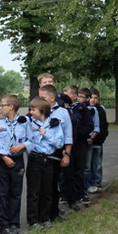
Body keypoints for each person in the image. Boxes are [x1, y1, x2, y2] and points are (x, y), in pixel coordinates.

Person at [0, 94, 31, 234]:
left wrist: (22, 145)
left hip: (18, 160)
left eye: (3, 105)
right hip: (3, 161)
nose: (0, 108)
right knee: (3, 193)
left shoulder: (24, 122)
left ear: (11, 107)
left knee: (16, 192)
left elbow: (31, 140)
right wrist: (4, 156)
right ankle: (2, 224)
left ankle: (13, 221)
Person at [24, 97, 64, 229]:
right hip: (35, 159)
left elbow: (59, 143)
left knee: (47, 191)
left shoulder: (54, 124)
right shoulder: (30, 124)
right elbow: (26, 140)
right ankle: (33, 221)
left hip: (49, 160)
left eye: (33, 109)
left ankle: (45, 218)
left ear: (42, 110)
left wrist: (46, 134)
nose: (30, 112)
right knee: (33, 192)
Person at [38, 84, 73, 222]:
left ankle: (53, 213)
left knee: (53, 184)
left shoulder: (62, 113)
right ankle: (41, 215)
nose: (40, 100)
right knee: (41, 186)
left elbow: (68, 135)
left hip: (57, 152)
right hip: (41, 153)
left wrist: (67, 154)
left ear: (52, 98)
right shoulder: (37, 112)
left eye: (43, 98)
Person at [63, 85, 95, 209]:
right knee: (67, 171)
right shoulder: (63, 109)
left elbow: (89, 126)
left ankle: (78, 194)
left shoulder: (82, 109)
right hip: (66, 144)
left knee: (78, 169)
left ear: (74, 96)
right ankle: (67, 194)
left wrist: (77, 132)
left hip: (79, 144)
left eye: (68, 94)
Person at [77, 87, 101, 198]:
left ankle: (85, 188)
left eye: (82, 97)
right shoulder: (75, 108)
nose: (80, 99)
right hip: (78, 141)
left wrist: (91, 138)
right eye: (79, 96)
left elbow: (96, 127)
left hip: (88, 140)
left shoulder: (93, 110)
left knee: (87, 166)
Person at [87, 86, 109, 193]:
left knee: (97, 163)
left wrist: (104, 135)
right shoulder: (85, 109)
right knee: (88, 164)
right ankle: (89, 183)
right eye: (91, 97)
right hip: (87, 141)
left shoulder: (101, 109)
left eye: (95, 97)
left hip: (98, 141)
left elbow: (104, 124)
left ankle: (97, 181)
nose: (93, 99)